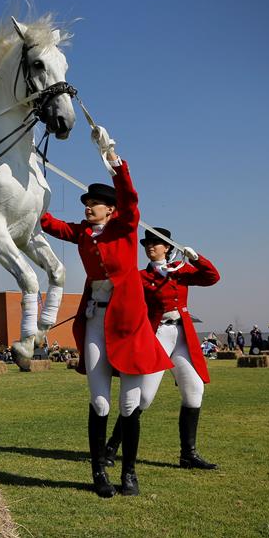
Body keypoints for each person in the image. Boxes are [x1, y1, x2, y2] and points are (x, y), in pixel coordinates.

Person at [40, 126, 173, 498]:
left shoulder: (125, 227)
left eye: (94, 202)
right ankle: (99, 472)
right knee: (100, 401)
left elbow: (131, 197)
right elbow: (48, 223)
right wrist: (32, 187)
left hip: (129, 325)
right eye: (86, 201)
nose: (88, 205)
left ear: (110, 209)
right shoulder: (83, 232)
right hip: (95, 321)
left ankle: (129, 472)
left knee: (131, 403)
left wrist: (113, 159)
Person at [105, 228, 221, 471]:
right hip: (156, 337)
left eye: (156, 244)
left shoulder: (181, 270)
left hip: (181, 336)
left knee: (194, 391)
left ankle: (188, 454)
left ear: (167, 247)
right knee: (144, 398)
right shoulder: (141, 276)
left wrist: (196, 258)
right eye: (147, 244)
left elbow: (212, 277)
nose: (150, 247)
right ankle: (111, 447)